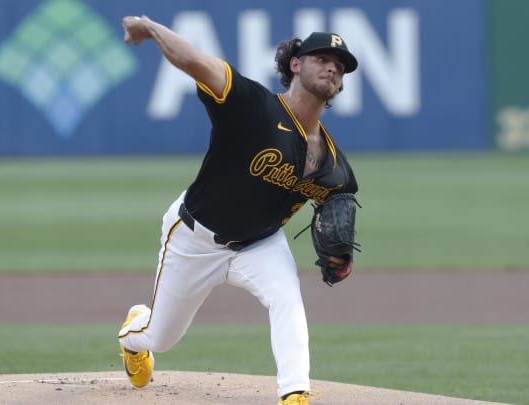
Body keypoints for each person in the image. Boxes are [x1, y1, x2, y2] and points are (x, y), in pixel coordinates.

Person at [118, 14, 359, 405]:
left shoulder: (335, 165)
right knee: (161, 337)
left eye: (341, 64)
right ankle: (133, 332)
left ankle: (294, 393)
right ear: (295, 63)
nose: (332, 65)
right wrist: (150, 27)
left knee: (287, 298)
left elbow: (338, 203)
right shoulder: (251, 105)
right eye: (321, 57)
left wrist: (340, 256)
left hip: (260, 244)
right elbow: (194, 61)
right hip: (194, 239)